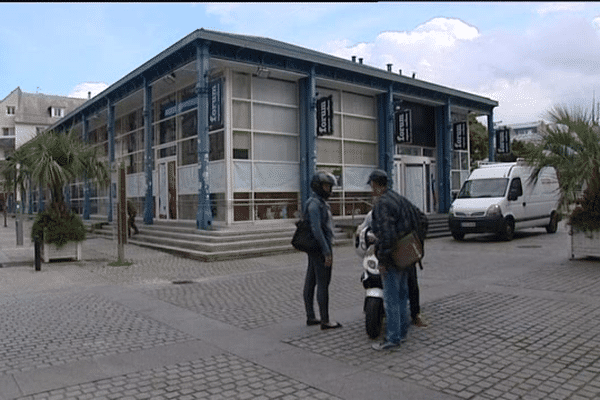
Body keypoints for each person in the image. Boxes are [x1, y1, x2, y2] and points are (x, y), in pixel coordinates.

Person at [368, 169, 427, 350]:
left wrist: (383, 260)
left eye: (372, 185)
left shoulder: (382, 204)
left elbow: (387, 234)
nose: (371, 189)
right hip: (405, 258)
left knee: (391, 299)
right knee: (402, 297)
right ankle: (401, 334)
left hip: (392, 259)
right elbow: (423, 220)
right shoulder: (399, 199)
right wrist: (413, 243)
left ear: (376, 185)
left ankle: (392, 339)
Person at [356, 211, 428, 328]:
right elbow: (363, 228)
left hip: (401, 252)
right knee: (369, 272)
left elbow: (420, 222)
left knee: (412, 282)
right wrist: (361, 236)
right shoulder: (372, 214)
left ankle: (415, 314)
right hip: (379, 252)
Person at [303, 171, 342, 330]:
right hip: (320, 249)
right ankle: (325, 320)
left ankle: (311, 317)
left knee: (311, 281)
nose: (329, 190)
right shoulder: (315, 204)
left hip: (317, 249)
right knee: (322, 284)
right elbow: (317, 230)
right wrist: (326, 252)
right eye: (327, 186)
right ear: (318, 186)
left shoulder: (318, 202)